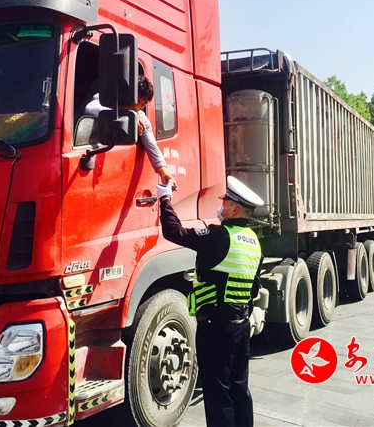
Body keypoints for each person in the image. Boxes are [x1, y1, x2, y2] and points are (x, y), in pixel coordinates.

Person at [157, 176, 264, 427]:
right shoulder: (254, 241)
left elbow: (174, 232)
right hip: (241, 324)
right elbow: (254, 286)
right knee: (239, 388)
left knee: (218, 392)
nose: (221, 206)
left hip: (216, 326)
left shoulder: (219, 236)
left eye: (225, 202)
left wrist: (165, 199)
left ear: (235, 209)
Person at [84, 75, 176, 186]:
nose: (139, 107)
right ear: (129, 95)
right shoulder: (106, 99)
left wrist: (164, 173)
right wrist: (125, 115)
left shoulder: (141, 117)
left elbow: (152, 146)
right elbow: (90, 108)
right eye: (138, 101)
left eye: (143, 104)